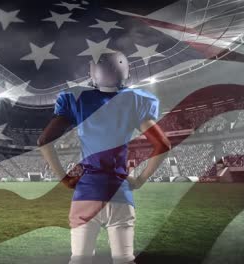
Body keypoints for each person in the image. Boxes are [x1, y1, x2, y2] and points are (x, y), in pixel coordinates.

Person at [37, 51, 171, 264]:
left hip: (86, 193)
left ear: (94, 73)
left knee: (80, 259)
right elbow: (163, 145)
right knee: (124, 259)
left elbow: (44, 141)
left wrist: (64, 179)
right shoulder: (135, 100)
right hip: (120, 192)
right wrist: (139, 180)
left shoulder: (78, 98)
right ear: (124, 73)